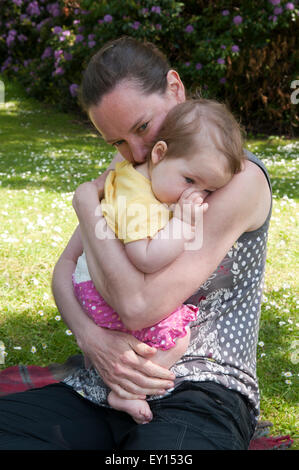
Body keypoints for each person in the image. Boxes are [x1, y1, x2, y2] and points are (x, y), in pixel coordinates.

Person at [0, 36, 272, 450]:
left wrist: (89, 210)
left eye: (143, 127)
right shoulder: (136, 166)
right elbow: (63, 269)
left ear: (175, 89)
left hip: (199, 390)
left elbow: (139, 306)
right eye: (118, 142)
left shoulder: (237, 181)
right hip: (100, 386)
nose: (137, 151)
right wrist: (90, 338)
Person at [72, 98, 244, 424]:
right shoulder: (135, 198)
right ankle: (127, 390)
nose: (193, 196)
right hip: (99, 292)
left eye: (208, 190)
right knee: (179, 338)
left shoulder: (142, 179)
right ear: (160, 154)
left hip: (98, 283)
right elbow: (146, 258)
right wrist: (183, 224)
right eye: (190, 181)